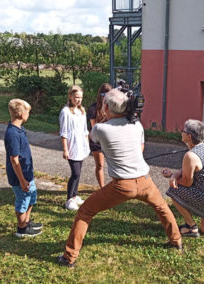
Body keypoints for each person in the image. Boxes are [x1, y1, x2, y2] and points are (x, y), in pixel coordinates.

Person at [57, 89, 182, 268]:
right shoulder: (137, 125)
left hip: (122, 185)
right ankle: (176, 241)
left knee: (85, 212)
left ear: (106, 107)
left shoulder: (101, 128)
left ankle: (69, 257)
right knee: (162, 208)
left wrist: (104, 115)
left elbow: (94, 137)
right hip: (146, 180)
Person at [4, 98, 43, 237]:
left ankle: (26, 221)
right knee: (22, 200)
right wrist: (21, 180)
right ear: (21, 114)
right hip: (19, 175)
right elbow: (14, 160)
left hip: (27, 173)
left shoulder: (19, 129)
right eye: (27, 112)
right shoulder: (12, 134)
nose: (28, 114)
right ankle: (21, 229)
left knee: (31, 197)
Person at [59, 85, 90, 210]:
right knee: (75, 173)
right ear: (70, 96)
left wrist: (86, 144)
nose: (78, 100)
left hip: (81, 145)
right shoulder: (65, 112)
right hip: (72, 146)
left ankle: (75, 195)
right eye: (76, 97)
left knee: (79, 172)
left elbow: (84, 130)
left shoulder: (82, 111)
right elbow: (64, 132)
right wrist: (65, 149)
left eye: (80, 97)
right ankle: (69, 199)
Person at [87, 83, 112, 187]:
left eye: (108, 94)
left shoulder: (112, 107)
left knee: (113, 165)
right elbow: (94, 127)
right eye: (103, 94)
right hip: (96, 140)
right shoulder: (93, 108)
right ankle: (102, 188)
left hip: (109, 139)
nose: (105, 97)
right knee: (100, 165)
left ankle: (115, 187)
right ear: (100, 95)